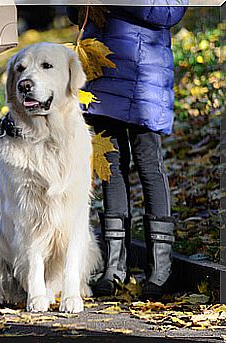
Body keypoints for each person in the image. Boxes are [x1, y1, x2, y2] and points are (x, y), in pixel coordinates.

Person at [67, 3, 187, 299]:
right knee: (110, 166)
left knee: (149, 164)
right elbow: (73, 14)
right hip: (104, 73)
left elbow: (169, 12)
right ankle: (114, 265)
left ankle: (160, 268)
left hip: (145, 75)